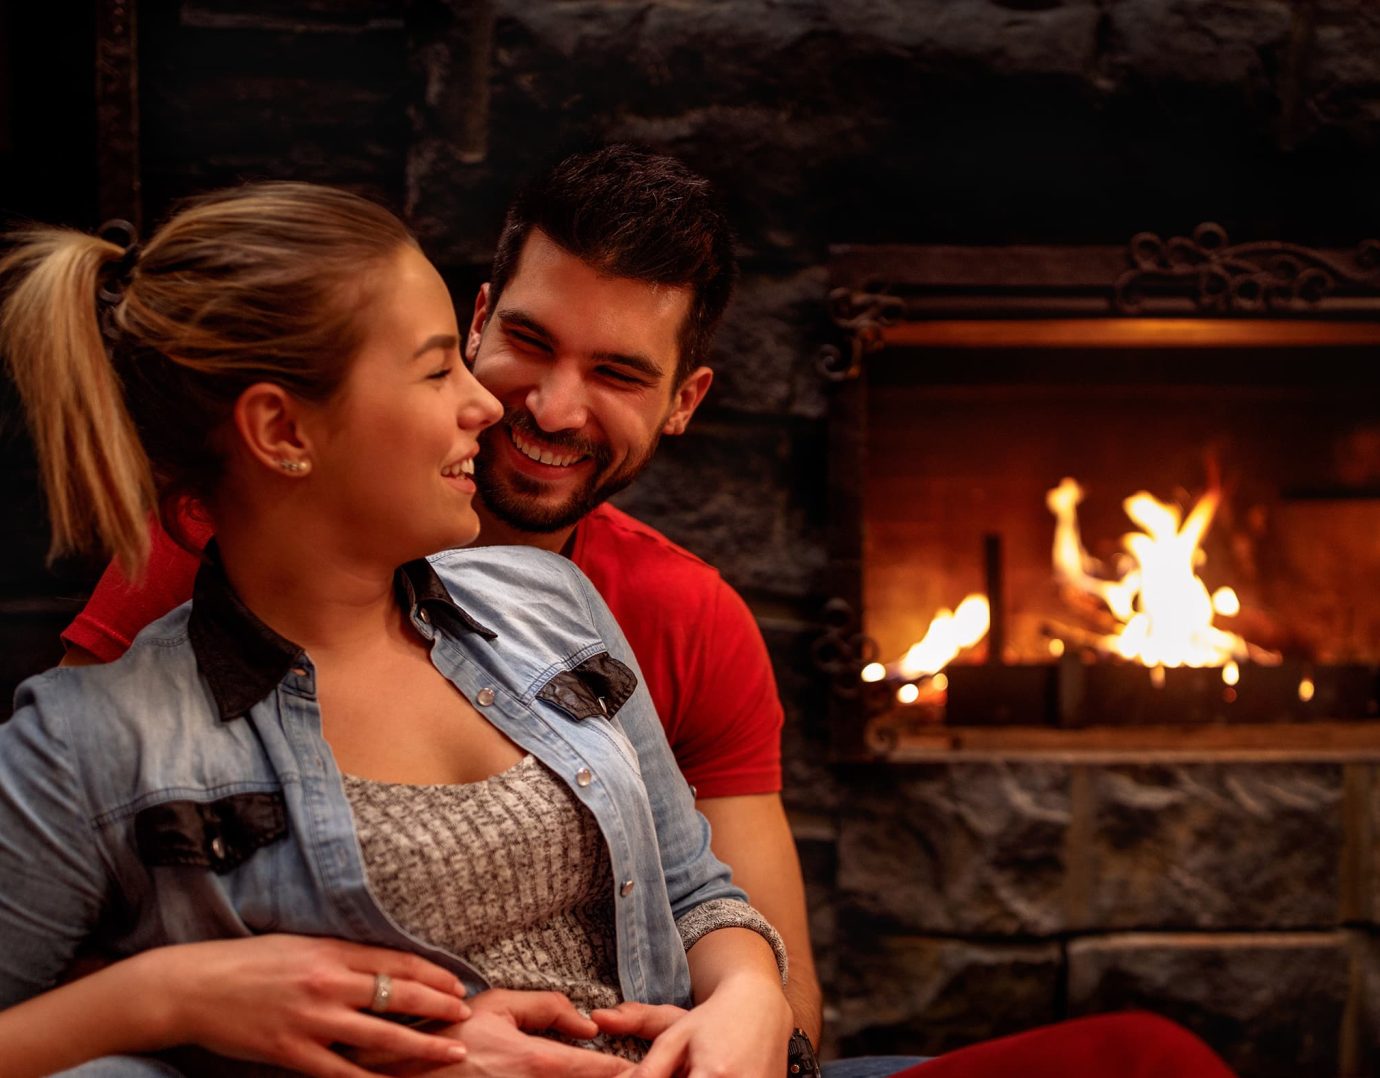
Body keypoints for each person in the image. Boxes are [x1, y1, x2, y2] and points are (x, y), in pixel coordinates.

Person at [0, 181, 794, 1076]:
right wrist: (175, 997)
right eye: (435, 368)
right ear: (280, 428)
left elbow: (695, 889)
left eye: (617, 371)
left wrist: (752, 996)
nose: (492, 406)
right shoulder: (86, 738)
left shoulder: (549, 600)